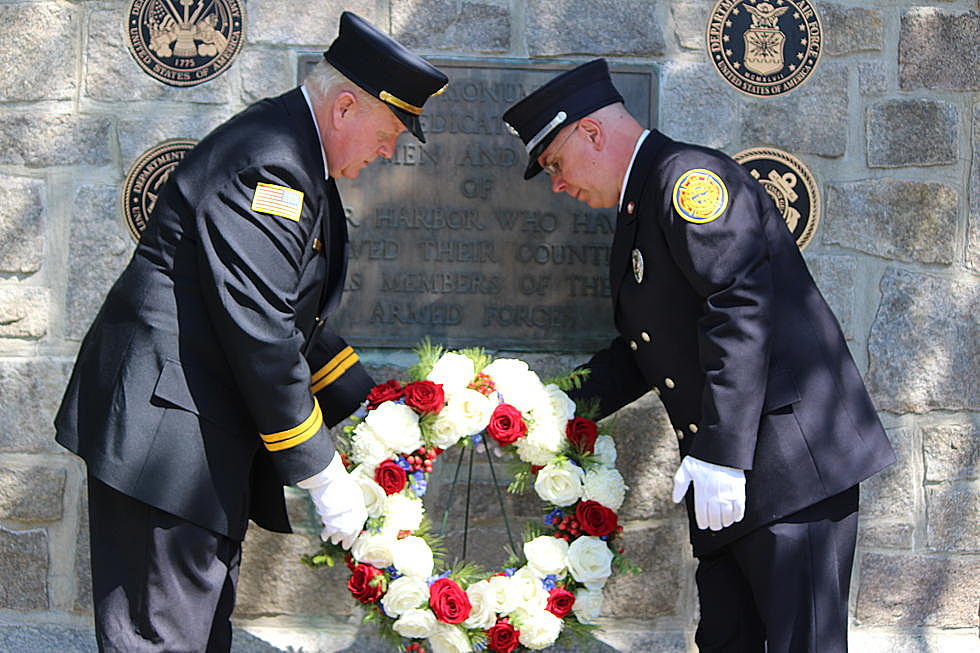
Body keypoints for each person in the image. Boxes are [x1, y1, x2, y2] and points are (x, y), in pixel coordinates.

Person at [54, 12, 448, 652]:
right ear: (346, 106)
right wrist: (321, 473)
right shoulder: (271, 162)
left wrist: (376, 407)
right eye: (389, 132)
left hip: (192, 436)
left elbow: (295, 320)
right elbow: (260, 327)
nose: (388, 151)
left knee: (198, 634)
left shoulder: (294, 155)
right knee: (163, 640)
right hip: (168, 438)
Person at [502, 59, 895, 652]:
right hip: (736, 479)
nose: (558, 183)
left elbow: (739, 307)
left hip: (787, 470)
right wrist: (548, 402)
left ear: (591, 132)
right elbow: (644, 351)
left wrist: (721, 455)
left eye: (555, 163)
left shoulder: (687, 180)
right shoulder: (640, 208)